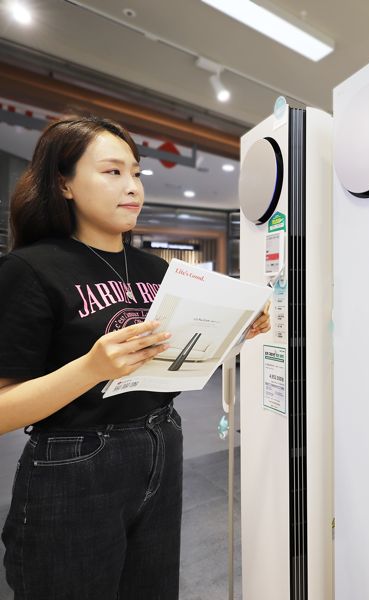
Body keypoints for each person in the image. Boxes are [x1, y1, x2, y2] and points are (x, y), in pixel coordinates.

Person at [0, 115, 270, 598]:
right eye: (112, 172)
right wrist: (92, 368)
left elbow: (171, 358)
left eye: (137, 172)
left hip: (162, 442)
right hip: (75, 461)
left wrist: (234, 334)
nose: (134, 187)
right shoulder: (29, 269)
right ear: (63, 183)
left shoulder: (155, 269)